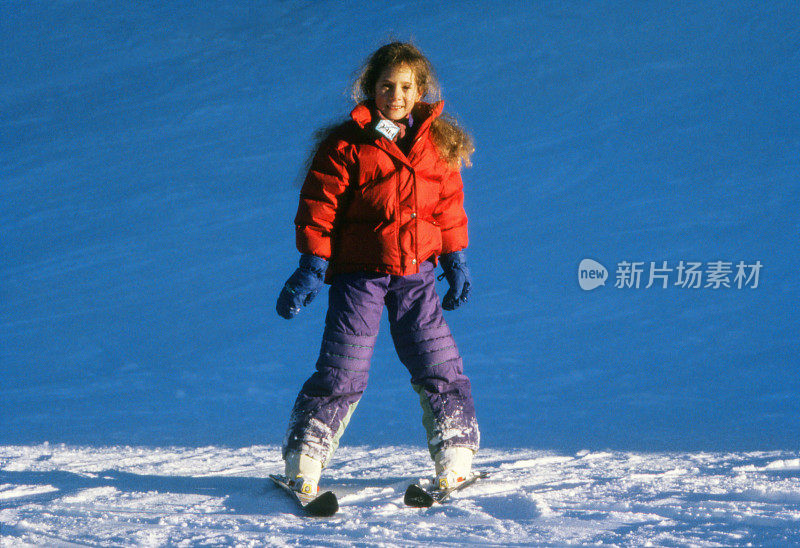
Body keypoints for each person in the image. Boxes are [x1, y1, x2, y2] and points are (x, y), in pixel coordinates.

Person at [276, 41, 479, 496]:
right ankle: (304, 460)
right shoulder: (347, 144)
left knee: (438, 361)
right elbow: (319, 208)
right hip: (359, 277)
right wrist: (312, 264)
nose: (397, 95)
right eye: (387, 86)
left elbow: (448, 208)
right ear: (371, 89)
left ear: (420, 89)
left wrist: (455, 257)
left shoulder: (436, 144)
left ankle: (456, 454)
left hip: (417, 277)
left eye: (406, 86)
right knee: (342, 370)